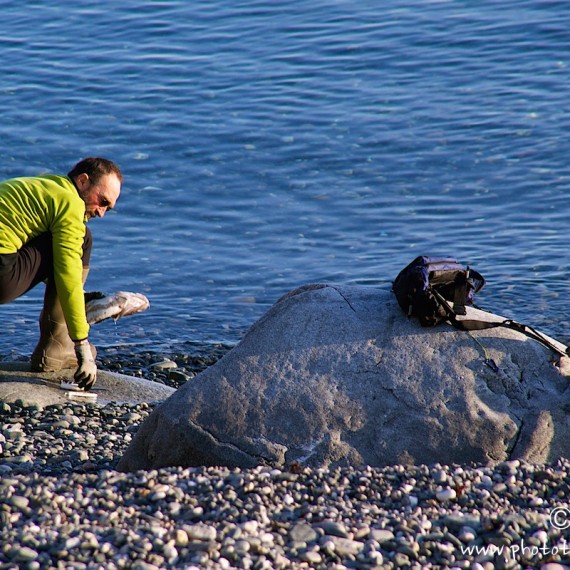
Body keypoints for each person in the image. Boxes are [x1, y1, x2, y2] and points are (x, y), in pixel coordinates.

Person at [0, 157, 122, 391]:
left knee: (60, 244)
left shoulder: (48, 186)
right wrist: (83, 347)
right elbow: (67, 274)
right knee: (82, 240)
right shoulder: (71, 204)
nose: (102, 213)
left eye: (108, 207)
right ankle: (57, 346)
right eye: (102, 201)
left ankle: (74, 308)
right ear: (83, 181)